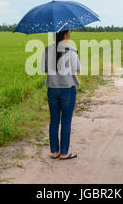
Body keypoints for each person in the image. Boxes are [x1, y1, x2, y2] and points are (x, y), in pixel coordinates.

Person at [41, 29, 80, 160]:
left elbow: (43, 68)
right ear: (65, 35)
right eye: (69, 32)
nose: (70, 35)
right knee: (66, 121)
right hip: (67, 89)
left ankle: (54, 152)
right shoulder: (71, 50)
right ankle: (64, 153)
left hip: (52, 88)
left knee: (54, 120)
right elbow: (78, 68)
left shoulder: (47, 50)